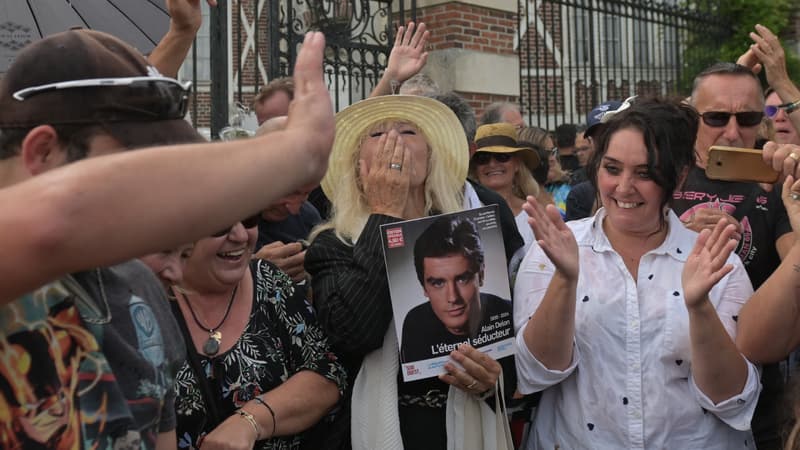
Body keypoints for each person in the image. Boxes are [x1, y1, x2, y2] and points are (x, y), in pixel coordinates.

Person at [0, 25, 335, 450]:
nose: (153, 203)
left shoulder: (138, 292)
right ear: (43, 153)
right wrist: (294, 154)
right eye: (134, 172)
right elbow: (55, 221)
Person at [514, 97, 760, 448]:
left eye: (645, 173)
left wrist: (699, 308)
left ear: (679, 175)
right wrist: (566, 281)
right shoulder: (553, 251)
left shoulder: (714, 261)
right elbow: (537, 373)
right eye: (612, 168)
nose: (624, 187)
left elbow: (731, 398)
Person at [305, 95, 511, 450]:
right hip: (388, 428)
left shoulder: (470, 234)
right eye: (377, 136)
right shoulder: (334, 244)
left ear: (431, 155)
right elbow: (353, 333)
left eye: (406, 131)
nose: (393, 142)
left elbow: (502, 344)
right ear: (358, 166)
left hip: (464, 425)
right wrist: (385, 213)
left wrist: (492, 379)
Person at [672, 61, 792, 449]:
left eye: (748, 117)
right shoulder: (656, 176)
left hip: (753, 395)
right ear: (692, 116)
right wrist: (677, 240)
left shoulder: (779, 187)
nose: (732, 131)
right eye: (717, 116)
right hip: (666, 393)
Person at [168, 217, 346, 450]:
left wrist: (250, 421)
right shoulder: (142, 306)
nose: (241, 236)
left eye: (250, 219)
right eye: (221, 225)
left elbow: (327, 373)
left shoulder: (267, 281)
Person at [400, 215, 513, 362]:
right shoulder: (415, 323)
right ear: (424, 287)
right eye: (438, 283)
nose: (453, 297)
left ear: (481, 275)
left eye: (462, 279)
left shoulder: (506, 310)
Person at [470, 122, 540, 250]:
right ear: (475, 168)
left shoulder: (535, 214)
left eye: (502, 156)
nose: (492, 164)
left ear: (517, 164)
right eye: (483, 158)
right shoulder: (465, 212)